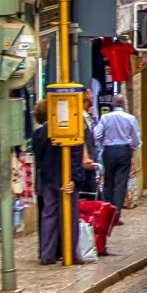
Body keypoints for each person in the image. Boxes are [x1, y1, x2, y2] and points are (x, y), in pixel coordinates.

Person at [31, 100, 92, 264]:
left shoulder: (38, 134)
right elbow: (75, 158)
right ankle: (70, 253)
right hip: (66, 179)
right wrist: (75, 179)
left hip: (47, 179)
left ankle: (47, 254)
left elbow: (39, 158)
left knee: (49, 215)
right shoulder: (69, 129)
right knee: (69, 215)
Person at [94, 94, 141, 214]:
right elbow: (135, 137)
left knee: (108, 180)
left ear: (113, 104)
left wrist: (102, 142)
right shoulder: (130, 118)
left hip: (109, 150)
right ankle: (116, 212)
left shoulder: (105, 118)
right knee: (121, 182)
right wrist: (133, 146)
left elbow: (96, 134)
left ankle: (108, 211)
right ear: (124, 104)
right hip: (124, 150)